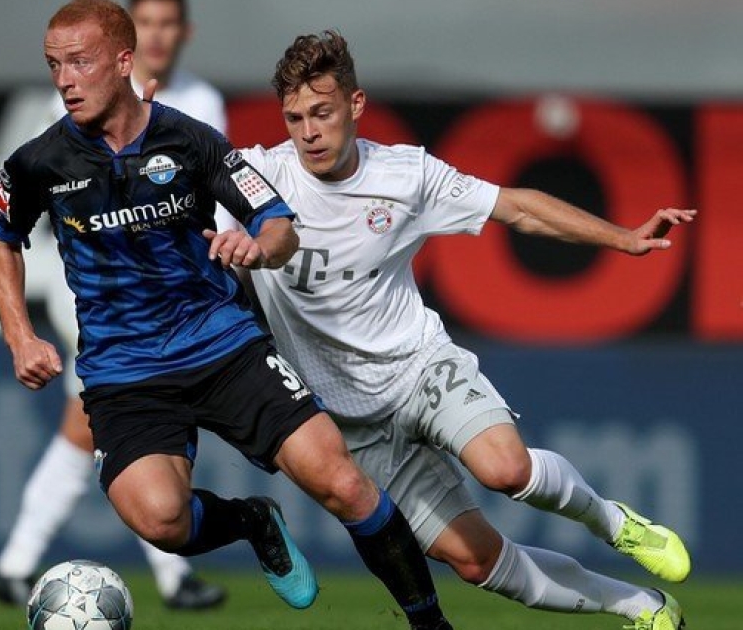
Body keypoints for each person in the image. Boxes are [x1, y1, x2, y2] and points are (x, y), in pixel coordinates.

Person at [0, 2, 453, 628]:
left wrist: (260, 248)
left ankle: (431, 624)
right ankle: (252, 521)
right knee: (162, 520)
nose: (65, 80)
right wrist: (20, 337)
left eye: (80, 63)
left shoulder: (190, 139)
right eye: (54, 65)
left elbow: (277, 222)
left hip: (222, 345)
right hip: (125, 370)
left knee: (342, 483)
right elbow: (0, 238)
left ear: (123, 63)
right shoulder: (38, 162)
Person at [234, 30, 694, 630]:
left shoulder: (407, 174)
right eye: (294, 118)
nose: (308, 132)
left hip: (419, 369)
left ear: (356, 104)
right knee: (477, 562)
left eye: (322, 113)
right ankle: (640, 606)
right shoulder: (255, 178)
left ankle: (613, 522)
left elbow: (517, 207)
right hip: (349, 421)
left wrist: (623, 238)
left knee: (507, 470)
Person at [0, 0, 228, 610]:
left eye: (168, 24)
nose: (158, 35)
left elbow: (216, 191)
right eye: (149, 23)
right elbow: (33, 183)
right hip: (103, 294)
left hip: (179, 298)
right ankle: (170, 574)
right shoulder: (80, 93)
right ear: (126, 42)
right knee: (107, 423)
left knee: (87, 428)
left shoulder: (200, 103)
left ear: (185, 32)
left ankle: (17, 564)